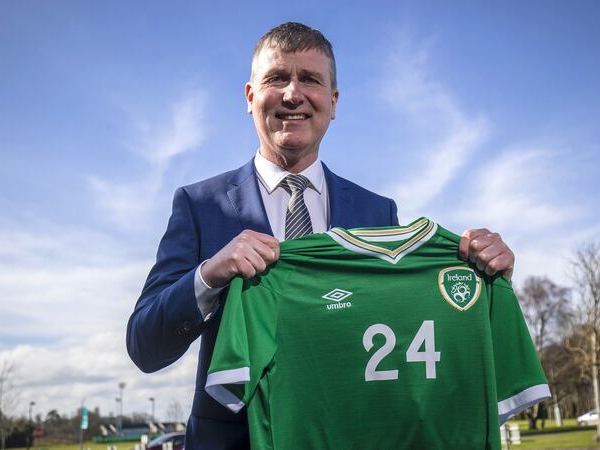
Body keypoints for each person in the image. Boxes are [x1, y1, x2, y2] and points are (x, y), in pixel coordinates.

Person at [127, 22, 516, 449]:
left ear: (333, 102)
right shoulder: (200, 206)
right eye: (276, 78)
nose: (293, 95)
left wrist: (480, 271)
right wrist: (209, 276)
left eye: (310, 80)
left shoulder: (378, 212)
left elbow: (403, 335)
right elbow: (144, 347)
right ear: (250, 96)